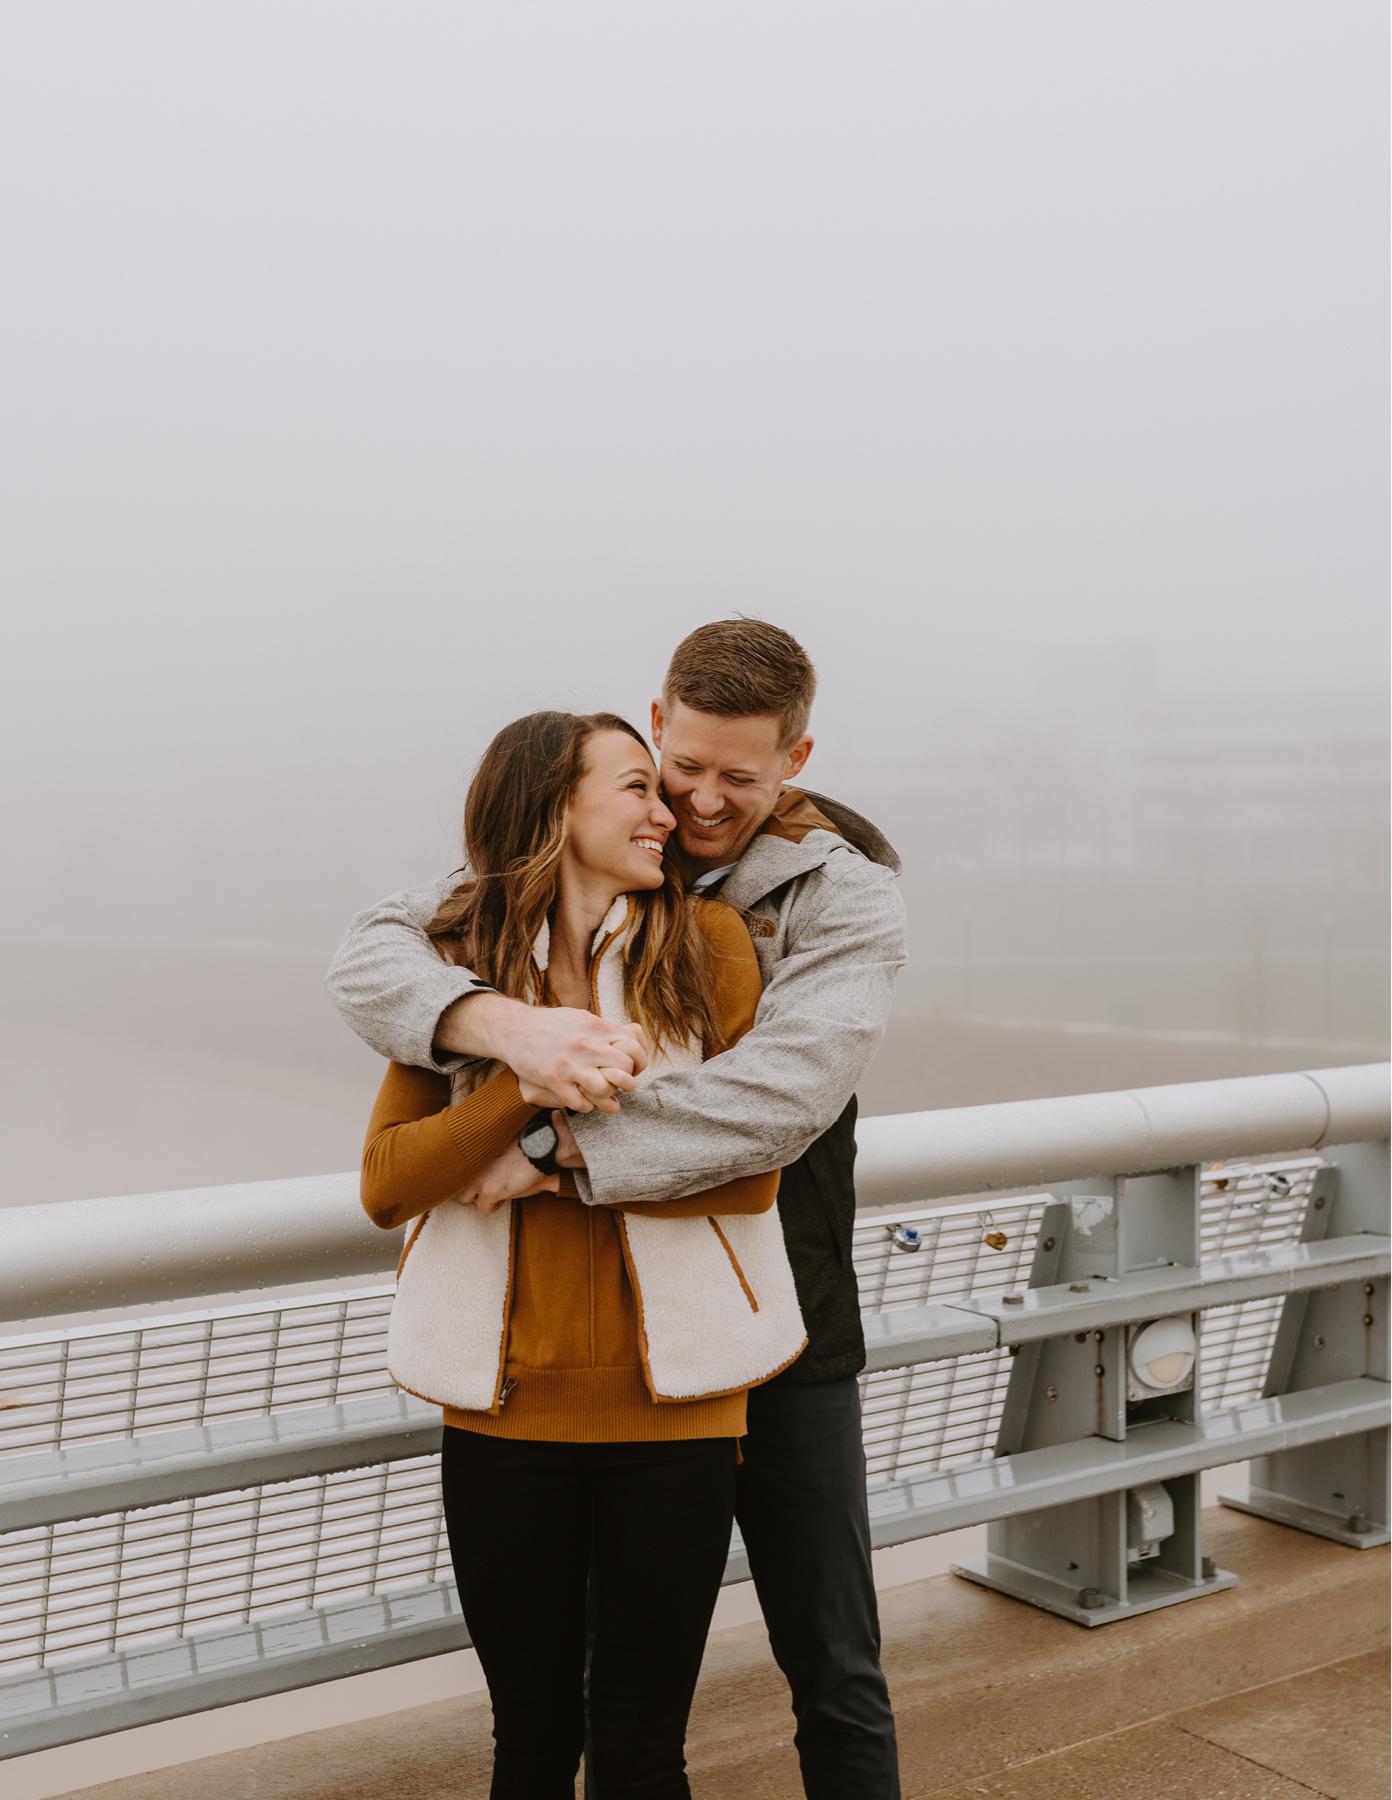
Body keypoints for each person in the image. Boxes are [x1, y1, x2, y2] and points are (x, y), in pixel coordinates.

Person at [329, 619, 907, 1800]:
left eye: (736, 777)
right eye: (676, 768)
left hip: (781, 1305)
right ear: (655, 726)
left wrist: (550, 1145)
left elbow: (777, 1111)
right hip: (552, 1385)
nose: (696, 802)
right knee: (548, 1721)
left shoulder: (834, 899)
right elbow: (374, 958)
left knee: (833, 1666)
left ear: (796, 759)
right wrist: (508, 1029)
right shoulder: (551, 879)